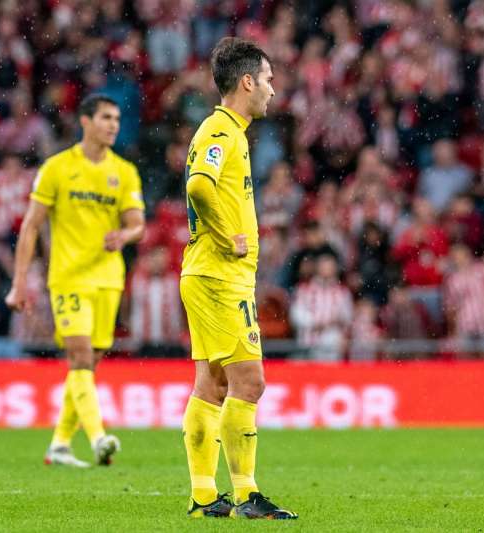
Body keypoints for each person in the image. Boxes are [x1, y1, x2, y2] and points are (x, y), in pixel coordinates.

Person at [179, 37, 297, 519]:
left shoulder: (227, 132)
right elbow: (197, 186)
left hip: (206, 274)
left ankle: (205, 496)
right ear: (247, 81)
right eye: (267, 79)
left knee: (212, 386)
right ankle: (246, 494)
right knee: (250, 384)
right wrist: (229, 236)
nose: (272, 89)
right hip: (220, 275)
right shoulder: (222, 132)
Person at [5, 94, 145, 468]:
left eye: (116, 118)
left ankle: (60, 444)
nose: (113, 124)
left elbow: (136, 223)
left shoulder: (124, 171)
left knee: (89, 363)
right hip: (68, 278)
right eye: (105, 117)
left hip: (108, 278)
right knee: (80, 356)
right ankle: (99, 438)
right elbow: (32, 226)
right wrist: (19, 282)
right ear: (85, 121)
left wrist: (125, 236)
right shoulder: (57, 168)